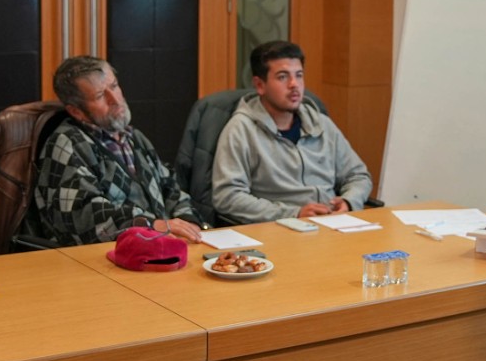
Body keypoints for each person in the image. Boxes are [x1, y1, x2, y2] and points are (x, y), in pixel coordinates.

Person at [28, 56, 203, 246]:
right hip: (99, 257)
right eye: (100, 96)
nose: (115, 99)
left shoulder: (133, 137)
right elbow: (84, 216)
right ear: (76, 111)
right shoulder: (67, 143)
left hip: (159, 249)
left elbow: (170, 188)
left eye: (114, 86)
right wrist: (149, 225)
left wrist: (189, 224)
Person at [211, 40, 373, 223]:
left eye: (299, 75)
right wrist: (293, 213)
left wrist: (349, 201)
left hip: (333, 223)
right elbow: (227, 196)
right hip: (280, 228)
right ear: (260, 85)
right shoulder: (241, 130)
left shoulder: (321, 123)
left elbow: (358, 175)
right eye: (282, 77)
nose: (294, 84)